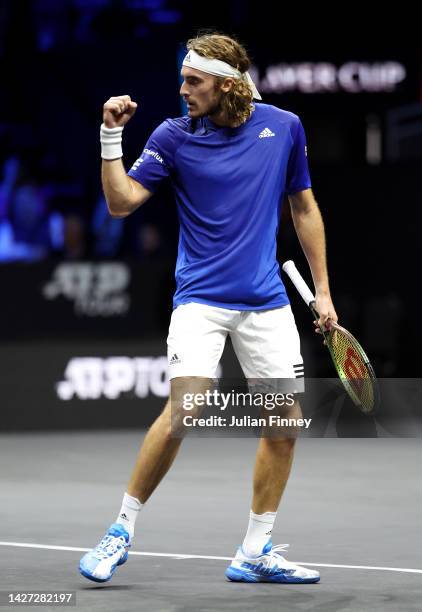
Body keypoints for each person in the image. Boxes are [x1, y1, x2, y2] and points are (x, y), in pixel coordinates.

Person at [79, 32, 337, 585]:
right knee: (186, 410)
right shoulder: (173, 137)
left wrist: (323, 291)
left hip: (267, 302)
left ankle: (255, 549)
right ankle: (120, 530)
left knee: (284, 425)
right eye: (182, 80)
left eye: (192, 81)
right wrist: (109, 136)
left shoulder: (284, 127)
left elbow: (304, 207)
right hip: (199, 300)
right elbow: (121, 203)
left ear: (226, 84)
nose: (182, 90)